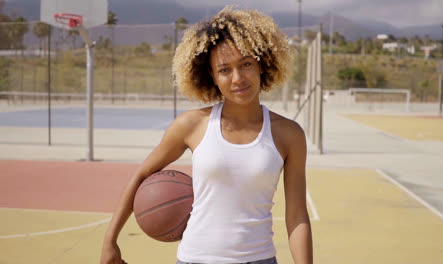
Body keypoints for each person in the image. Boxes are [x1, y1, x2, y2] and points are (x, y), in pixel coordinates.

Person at [100, 6, 313, 264]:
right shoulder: (192, 125)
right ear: (212, 76)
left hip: (259, 259)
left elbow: (297, 215)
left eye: (245, 64)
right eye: (224, 69)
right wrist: (110, 241)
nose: (237, 78)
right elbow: (141, 175)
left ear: (261, 64)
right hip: (195, 259)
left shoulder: (288, 134)